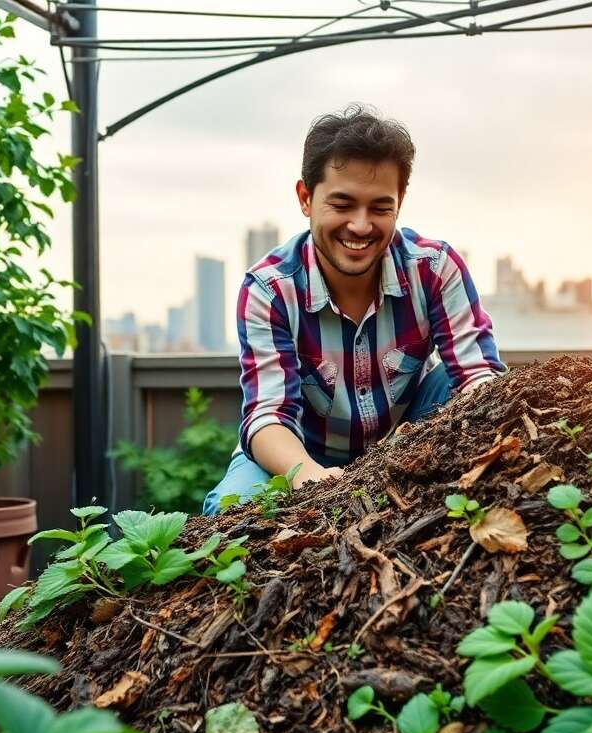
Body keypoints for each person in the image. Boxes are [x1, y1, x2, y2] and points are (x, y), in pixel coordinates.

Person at [203, 104, 506, 516]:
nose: (361, 226)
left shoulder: (434, 269)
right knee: (231, 510)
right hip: (298, 451)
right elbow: (268, 413)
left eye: (380, 208)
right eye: (342, 204)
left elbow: (477, 377)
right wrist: (307, 474)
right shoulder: (270, 289)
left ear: (400, 202)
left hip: (406, 436)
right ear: (306, 198)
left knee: (476, 392)